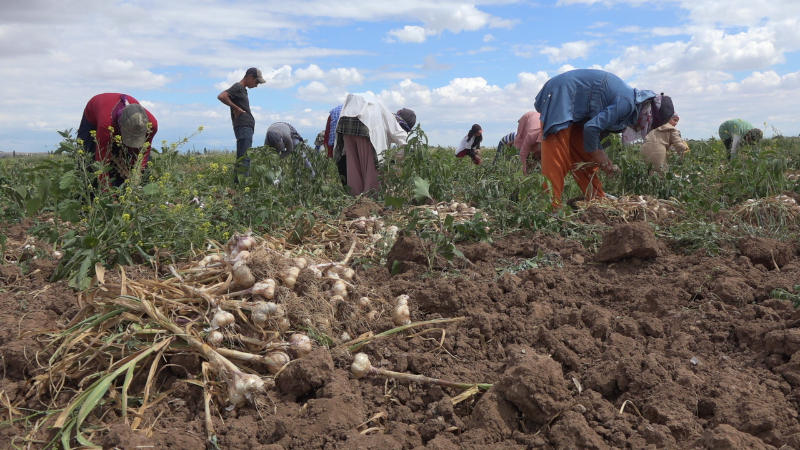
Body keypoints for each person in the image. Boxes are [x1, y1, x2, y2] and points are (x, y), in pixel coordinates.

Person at [534, 69, 673, 208]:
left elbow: (595, 132)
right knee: (557, 157)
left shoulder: (630, 108)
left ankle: (597, 203)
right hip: (562, 94)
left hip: (578, 112)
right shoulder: (627, 103)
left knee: (585, 159)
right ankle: (551, 210)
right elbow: (592, 127)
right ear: (648, 113)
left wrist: (600, 156)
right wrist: (597, 152)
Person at [334, 93, 415, 196]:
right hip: (365, 124)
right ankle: (371, 197)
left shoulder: (380, 110)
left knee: (353, 165)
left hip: (345, 123)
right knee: (371, 166)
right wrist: (404, 154)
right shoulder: (387, 115)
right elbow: (400, 135)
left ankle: (354, 196)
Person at [77, 93, 158, 187]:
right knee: (90, 163)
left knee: (132, 162)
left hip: (115, 121)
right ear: (120, 128)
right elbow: (102, 163)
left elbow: (144, 152)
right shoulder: (106, 126)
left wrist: (137, 174)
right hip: (93, 117)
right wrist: (109, 194)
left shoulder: (152, 125)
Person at [217, 67, 266, 181]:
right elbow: (222, 96)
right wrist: (236, 108)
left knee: (242, 157)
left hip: (245, 126)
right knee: (245, 158)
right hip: (243, 126)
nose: (257, 85)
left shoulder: (242, 89)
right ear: (250, 77)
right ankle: (242, 187)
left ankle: (237, 186)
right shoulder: (238, 87)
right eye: (256, 81)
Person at [323, 105, 346, 184]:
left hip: (338, 146)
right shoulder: (357, 110)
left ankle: (349, 192)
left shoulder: (334, 112)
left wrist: (329, 152)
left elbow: (328, 134)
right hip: (353, 146)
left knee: (343, 171)